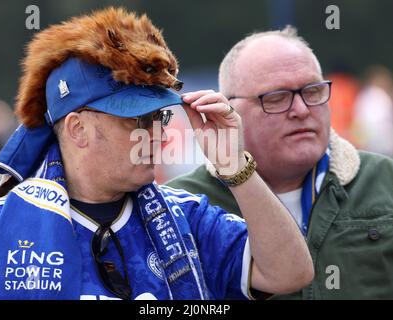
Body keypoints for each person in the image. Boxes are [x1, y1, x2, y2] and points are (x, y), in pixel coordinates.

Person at [0, 8, 313, 300]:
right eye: (139, 120)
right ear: (78, 129)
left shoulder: (188, 216)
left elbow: (291, 274)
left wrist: (235, 166)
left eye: (159, 117)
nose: (158, 135)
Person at [168, 26, 393, 299]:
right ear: (225, 109)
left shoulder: (383, 180)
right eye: (276, 98)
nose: (301, 110)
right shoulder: (183, 205)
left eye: (313, 92)